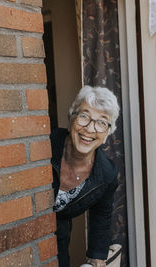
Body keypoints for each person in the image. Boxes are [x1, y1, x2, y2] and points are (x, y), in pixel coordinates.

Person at [51, 86, 120, 267]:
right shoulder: (46, 143)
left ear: (107, 134)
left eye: (102, 122)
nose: (90, 129)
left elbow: (101, 214)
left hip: (59, 233)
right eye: (84, 116)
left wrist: (97, 256)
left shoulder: (107, 174)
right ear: (71, 118)